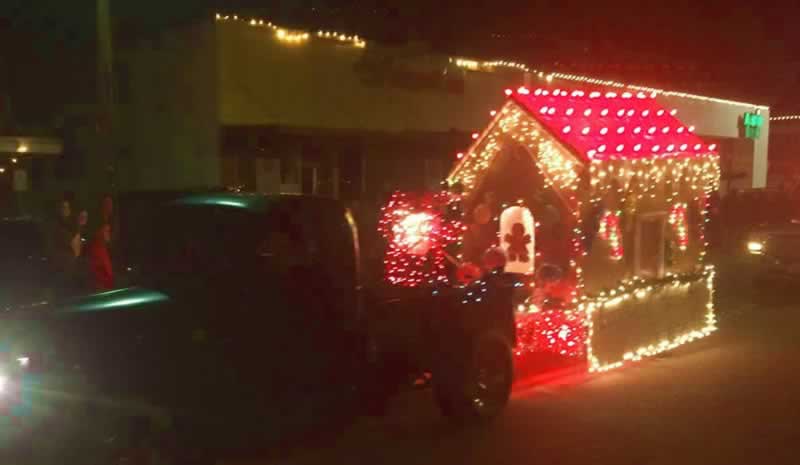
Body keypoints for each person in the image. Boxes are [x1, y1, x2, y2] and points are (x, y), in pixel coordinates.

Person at [88, 223, 114, 291]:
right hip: (101, 289)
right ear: (100, 232)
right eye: (106, 231)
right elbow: (96, 271)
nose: (109, 234)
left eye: (109, 231)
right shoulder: (97, 248)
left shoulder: (103, 248)